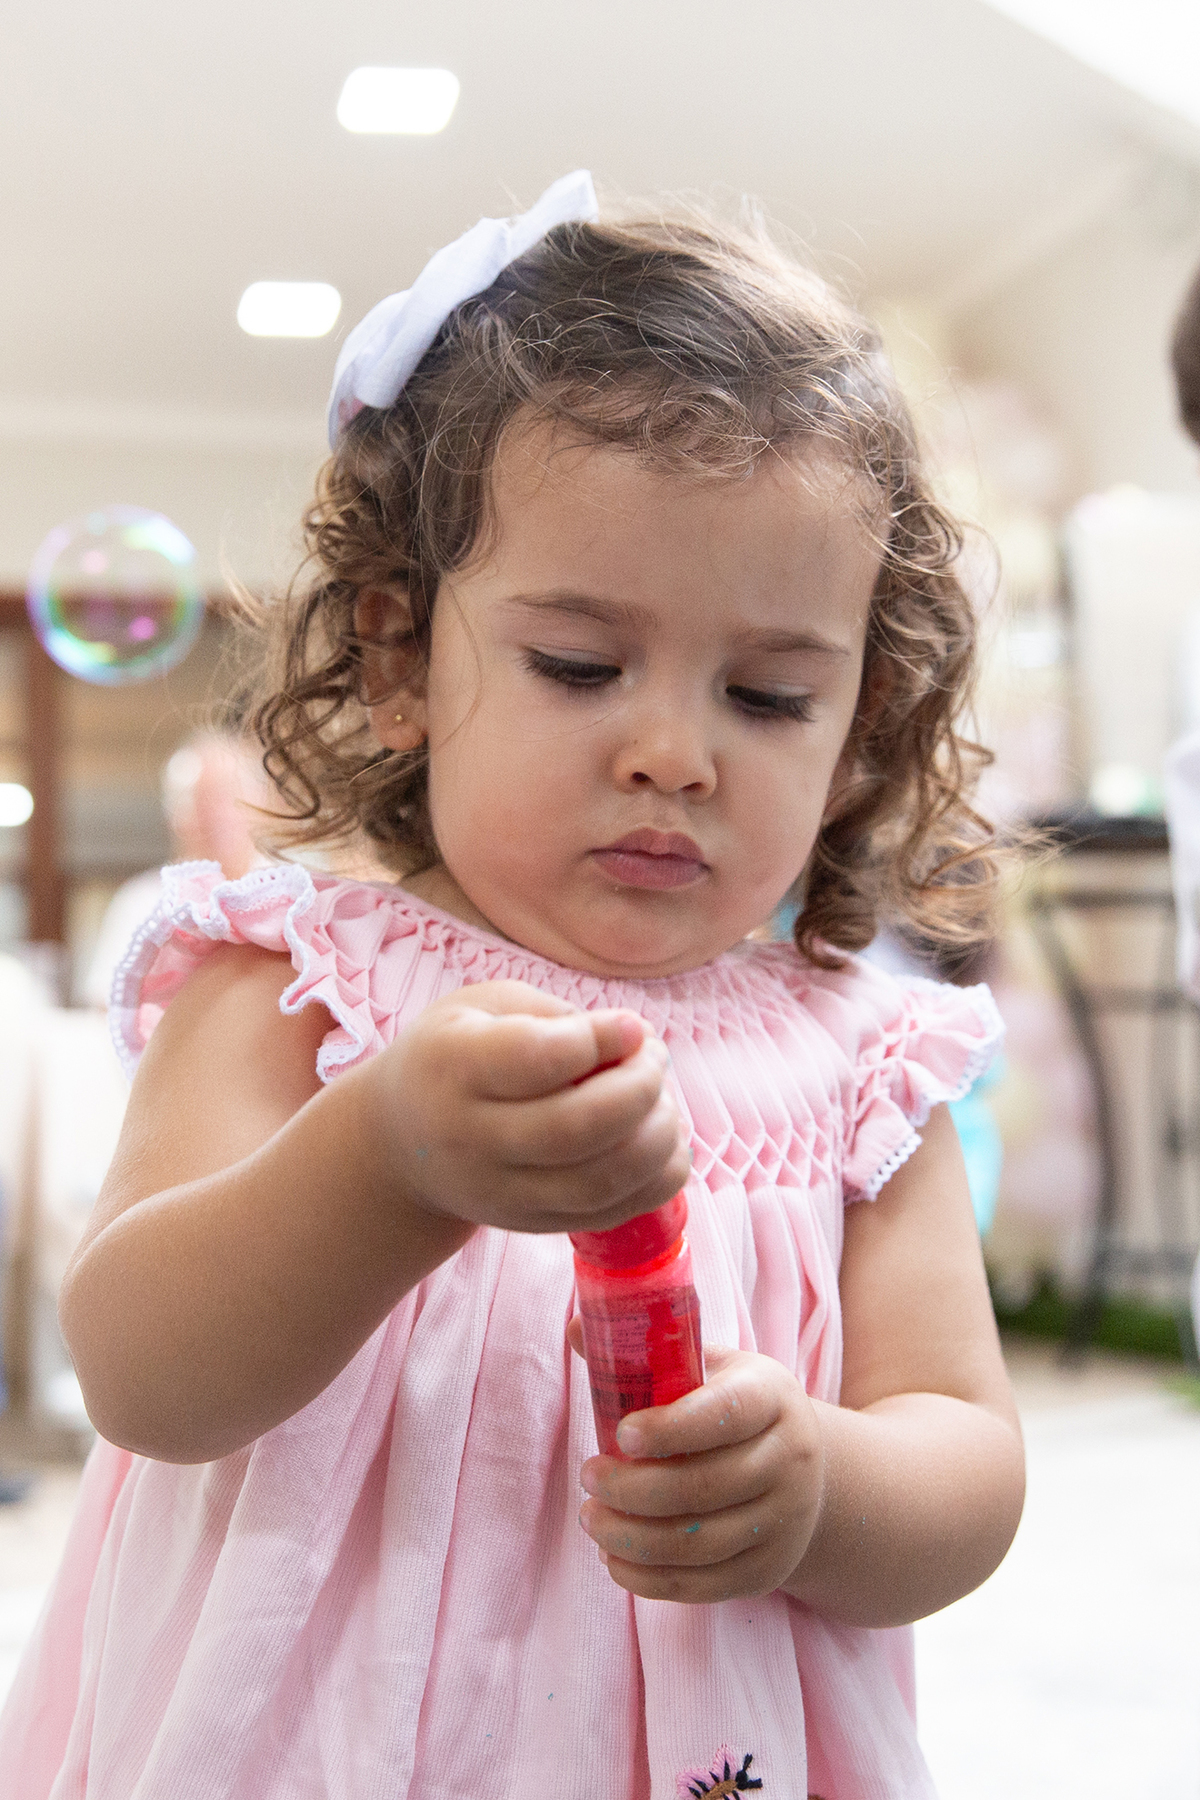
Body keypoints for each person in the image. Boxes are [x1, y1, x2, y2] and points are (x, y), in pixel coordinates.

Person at [0, 172, 1025, 1799]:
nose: (672, 753)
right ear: (403, 657)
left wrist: (826, 1490)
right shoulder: (303, 980)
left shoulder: (865, 1064)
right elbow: (143, 1373)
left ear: (860, 731)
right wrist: (381, 1163)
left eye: (768, 694)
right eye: (578, 665)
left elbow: (967, 1457)